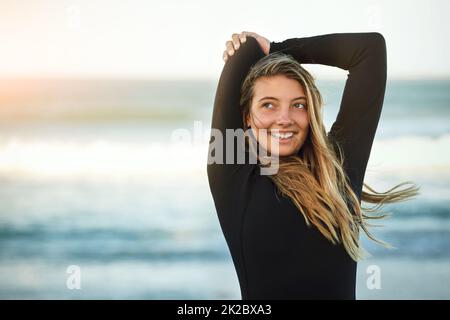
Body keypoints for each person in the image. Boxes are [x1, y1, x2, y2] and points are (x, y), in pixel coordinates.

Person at [207, 31, 420, 300]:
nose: (284, 118)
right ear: (246, 117)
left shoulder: (337, 171)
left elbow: (370, 49)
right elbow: (245, 50)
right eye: (268, 105)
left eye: (298, 105)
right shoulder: (233, 177)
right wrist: (254, 49)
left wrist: (277, 48)